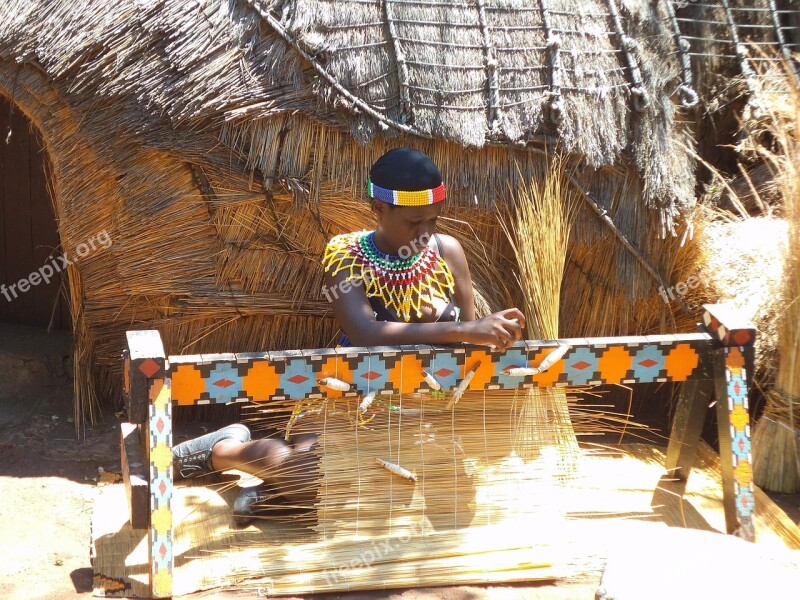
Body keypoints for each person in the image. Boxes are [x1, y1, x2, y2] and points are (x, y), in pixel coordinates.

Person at [172, 148, 525, 526]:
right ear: (379, 207)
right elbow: (367, 332)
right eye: (413, 222)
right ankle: (226, 450)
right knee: (314, 481)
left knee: (440, 503)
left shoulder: (448, 252)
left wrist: (492, 337)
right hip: (346, 401)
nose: (425, 233)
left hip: (426, 413)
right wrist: (465, 328)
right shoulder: (347, 256)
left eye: (433, 222)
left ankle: (275, 494)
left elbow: (465, 352)